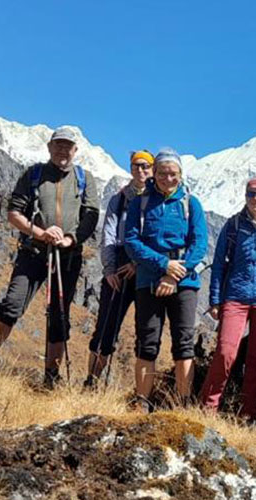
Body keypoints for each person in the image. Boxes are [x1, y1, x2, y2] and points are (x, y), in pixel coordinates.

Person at [0, 126, 100, 389]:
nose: (62, 150)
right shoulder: (33, 174)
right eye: (58, 145)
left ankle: (51, 378)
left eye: (68, 146)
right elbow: (14, 213)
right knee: (12, 304)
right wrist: (41, 233)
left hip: (67, 257)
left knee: (59, 316)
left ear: (75, 150)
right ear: (49, 147)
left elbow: (91, 216)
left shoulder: (84, 178)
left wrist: (70, 239)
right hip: (33, 252)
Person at [123, 148, 208, 410]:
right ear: (154, 174)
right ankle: (143, 403)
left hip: (184, 282)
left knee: (183, 343)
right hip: (149, 280)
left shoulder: (190, 203)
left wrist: (174, 274)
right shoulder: (141, 202)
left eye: (173, 174)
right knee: (146, 342)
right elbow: (131, 241)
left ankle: (181, 404)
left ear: (180, 175)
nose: (167, 178)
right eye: (162, 173)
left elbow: (200, 242)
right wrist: (163, 265)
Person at [199, 177, 256, 418]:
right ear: (245, 195)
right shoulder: (233, 225)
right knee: (225, 352)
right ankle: (207, 408)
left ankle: (249, 414)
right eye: (252, 194)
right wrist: (215, 299)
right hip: (234, 297)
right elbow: (218, 264)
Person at [83, 150, 156, 388]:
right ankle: (91, 383)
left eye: (146, 166)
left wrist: (139, 263)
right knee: (105, 328)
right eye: (136, 166)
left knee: (145, 333)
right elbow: (109, 235)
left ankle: (141, 393)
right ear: (130, 168)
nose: (141, 171)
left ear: (153, 169)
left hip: (146, 268)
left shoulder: (158, 198)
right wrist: (110, 270)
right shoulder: (120, 198)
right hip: (118, 268)